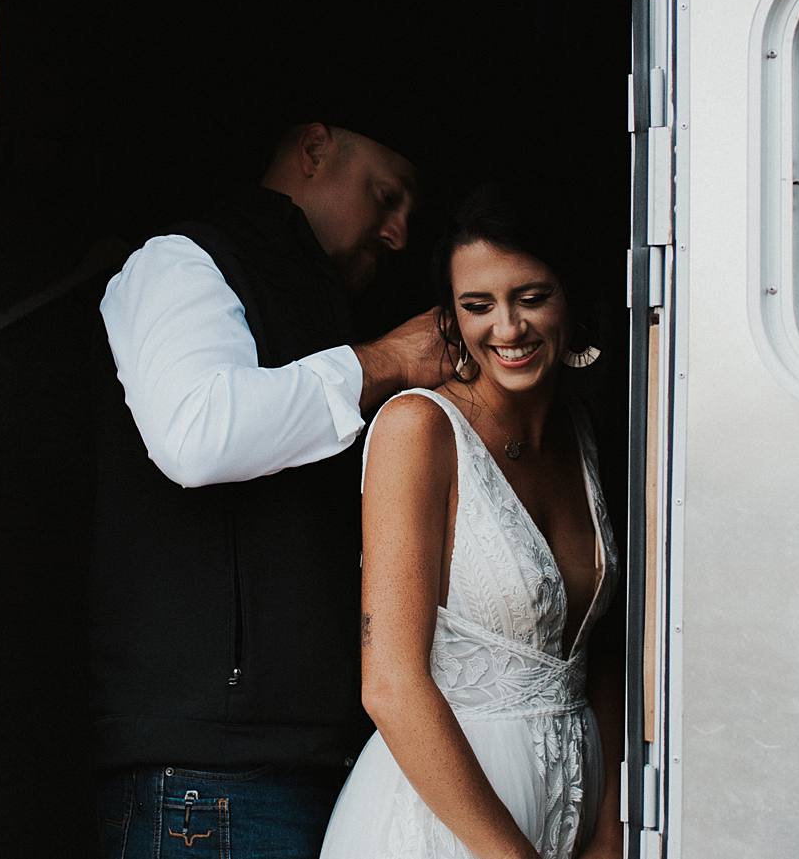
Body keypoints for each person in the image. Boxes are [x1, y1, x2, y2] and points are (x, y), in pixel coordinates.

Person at [89, 120, 443, 859]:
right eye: (386, 194)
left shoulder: (323, 299)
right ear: (314, 151)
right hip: (208, 780)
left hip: (309, 765)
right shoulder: (182, 263)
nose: (400, 232)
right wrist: (381, 362)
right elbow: (197, 432)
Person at [320, 183, 623, 859]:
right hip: (443, 833)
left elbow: (597, 651)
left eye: (532, 296)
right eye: (478, 306)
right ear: (451, 318)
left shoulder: (583, 431)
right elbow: (391, 684)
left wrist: (609, 824)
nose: (508, 328)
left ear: (570, 297)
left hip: (574, 826)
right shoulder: (419, 430)